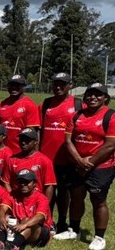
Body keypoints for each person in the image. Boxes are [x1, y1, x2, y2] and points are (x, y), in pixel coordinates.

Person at [56, 83, 115, 250]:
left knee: (98, 201)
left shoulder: (111, 116)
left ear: (105, 98)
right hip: (78, 164)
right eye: (89, 94)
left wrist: (89, 163)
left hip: (101, 166)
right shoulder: (77, 115)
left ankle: (99, 237)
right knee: (76, 197)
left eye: (98, 95)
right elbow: (68, 141)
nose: (92, 97)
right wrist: (79, 161)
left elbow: (110, 145)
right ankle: (74, 230)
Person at [39, 72, 80, 234]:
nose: (58, 87)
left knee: (64, 192)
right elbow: (39, 130)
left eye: (62, 84)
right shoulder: (46, 103)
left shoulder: (77, 104)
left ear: (70, 85)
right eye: (55, 83)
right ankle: (46, 219)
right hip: (46, 157)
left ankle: (62, 222)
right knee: (46, 191)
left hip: (67, 158)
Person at [0, 169, 53, 250]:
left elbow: (40, 216)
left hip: (40, 232)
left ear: (34, 183)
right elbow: (2, 208)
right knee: (5, 217)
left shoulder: (41, 197)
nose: (23, 184)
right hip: (20, 228)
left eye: (27, 182)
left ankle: (13, 246)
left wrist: (24, 225)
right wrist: (2, 218)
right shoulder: (13, 194)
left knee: (27, 221)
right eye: (20, 181)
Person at [7, 128, 57, 205]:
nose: (23, 142)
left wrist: (44, 206)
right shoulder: (11, 160)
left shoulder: (45, 161)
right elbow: (6, 182)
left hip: (36, 203)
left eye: (27, 140)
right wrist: (12, 200)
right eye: (21, 139)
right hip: (17, 203)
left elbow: (49, 186)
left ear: (36, 142)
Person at [0, 74, 40, 154]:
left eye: (17, 85)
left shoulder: (30, 105)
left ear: (24, 87)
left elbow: (34, 134)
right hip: (1, 152)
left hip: (20, 153)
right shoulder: (0, 105)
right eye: (11, 85)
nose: (14, 87)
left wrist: (34, 154)